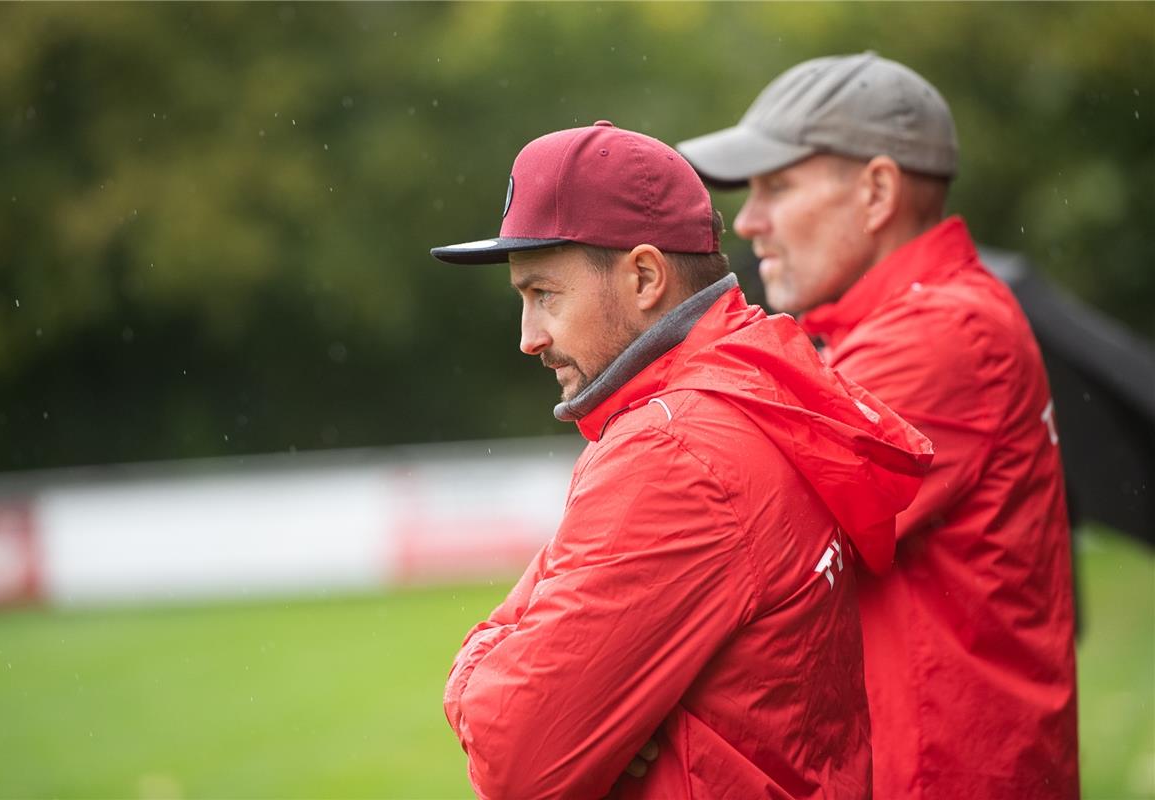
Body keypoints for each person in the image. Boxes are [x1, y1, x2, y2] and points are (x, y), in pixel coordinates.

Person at [430, 120, 932, 799]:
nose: (529, 337)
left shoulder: (675, 450)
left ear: (644, 276)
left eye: (543, 294)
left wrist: (468, 670)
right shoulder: (754, 393)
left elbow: (515, 761)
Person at [677, 52, 1080, 800]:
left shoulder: (943, 332)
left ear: (877, 191)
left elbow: (714, 527)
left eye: (777, 185)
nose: (750, 219)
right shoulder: (915, 321)